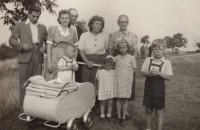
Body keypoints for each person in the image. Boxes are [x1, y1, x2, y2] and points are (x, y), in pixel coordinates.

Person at [9, 5, 47, 108]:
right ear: (28, 14)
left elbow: (48, 42)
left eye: (37, 17)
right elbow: (12, 40)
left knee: (37, 83)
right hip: (25, 55)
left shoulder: (43, 27)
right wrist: (22, 46)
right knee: (24, 83)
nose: (35, 19)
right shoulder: (20, 25)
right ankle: (24, 108)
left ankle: (35, 108)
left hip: (38, 55)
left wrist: (45, 48)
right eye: (33, 16)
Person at [108, 14, 138, 119]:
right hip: (117, 62)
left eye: (125, 22)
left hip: (127, 63)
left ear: (128, 23)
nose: (123, 24)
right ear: (118, 23)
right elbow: (110, 50)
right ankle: (117, 110)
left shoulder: (133, 35)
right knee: (117, 85)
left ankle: (126, 111)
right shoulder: (113, 35)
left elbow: (135, 50)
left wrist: (131, 61)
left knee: (127, 86)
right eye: (121, 22)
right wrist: (112, 62)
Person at [78, 15, 108, 115]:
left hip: (99, 62)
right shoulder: (84, 35)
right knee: (87, 84)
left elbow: (106, 51)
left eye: (100, 24)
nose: (98, 26)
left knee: (98, 84)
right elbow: (80, 50)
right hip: (87, 62)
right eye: (96, 23)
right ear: (91, 24)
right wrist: (86, 61)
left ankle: (96, 106)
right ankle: (86, 106)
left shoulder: (104, 36)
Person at [141, 39, 173, 130]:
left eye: (160, 49)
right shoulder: (148, 60)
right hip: (148, 89)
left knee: (159, 111)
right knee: (148, 110)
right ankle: (148, 128)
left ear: (164, 50)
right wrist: (148, 73)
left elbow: (169, 77)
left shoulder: (166, 62)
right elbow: (142, 72)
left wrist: (159, 73)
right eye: (156, 49)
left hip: (159, 91)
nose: (158, 51)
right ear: (152, 50)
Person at [44, 10, 77, 81]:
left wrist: (73, 61)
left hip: (67, 58)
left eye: (66, 18)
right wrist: (49, 62)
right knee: (52, 79)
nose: (64, 20)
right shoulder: (53, 29)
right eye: (62, 18)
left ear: (69, 19)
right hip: (54, 58)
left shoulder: (73, 31)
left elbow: (75, 48)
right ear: (59, 19)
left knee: (65, 79)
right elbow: (49, 46)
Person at [114, 40, 137, 126]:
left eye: (124, 47)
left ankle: (124, 116)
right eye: (120, 47)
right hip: (118, 80)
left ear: (128, 48)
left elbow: (135, 69)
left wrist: (127, 75)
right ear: (118, 48)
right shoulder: (116, 58)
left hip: (126, 81)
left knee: (125, 99)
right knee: (118, 98)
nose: (122, 49)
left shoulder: (131, 57)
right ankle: (119, 116)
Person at [96, 56, 115, 123]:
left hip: (110, 89)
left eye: (111, 65)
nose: (109, 67)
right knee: (102, 103)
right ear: (104, 64)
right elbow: (98, 81)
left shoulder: (113, 72)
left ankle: (109, 115)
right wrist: (97, 89)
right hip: (103, 89)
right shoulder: (100, 72)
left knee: (110, 103)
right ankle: (102, 116)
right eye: (107, 65)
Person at [69, 8, 83, 82]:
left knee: (76, 78)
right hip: (67, 55)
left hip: (77, 57)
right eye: (72, 16)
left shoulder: (79, 29)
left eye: (76, 16)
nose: (74, 18)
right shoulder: (65, 27)